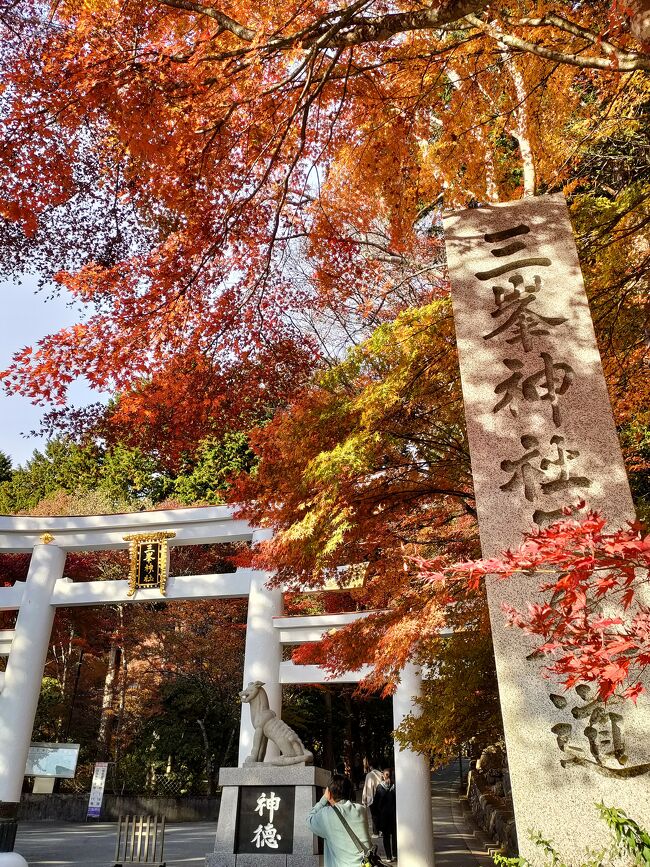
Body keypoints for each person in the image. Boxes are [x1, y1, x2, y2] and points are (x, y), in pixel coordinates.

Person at [306, 773, 373, 867]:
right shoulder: (361, 810)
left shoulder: (326, 814)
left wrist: (324, 799)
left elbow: (309, 820)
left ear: (329, 793)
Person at [372, 768, 397, 862]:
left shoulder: (380, 787)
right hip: (394, 815)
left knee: (386, 837)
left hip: (384, 816)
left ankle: (388, 857)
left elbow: (375, 804)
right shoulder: (395, 787)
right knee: (394, 836)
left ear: (383, 775)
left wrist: (376, 816)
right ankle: (394, 854)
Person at [361, 759, 383, 834]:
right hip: (381, 797)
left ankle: (376, 832)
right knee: (381, 814)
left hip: (372, 797)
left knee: (374, 815)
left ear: (371, 767)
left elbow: (367, 787)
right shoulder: (381, 774)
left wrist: (364, 799)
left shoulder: (369, 775)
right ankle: (382, 830)